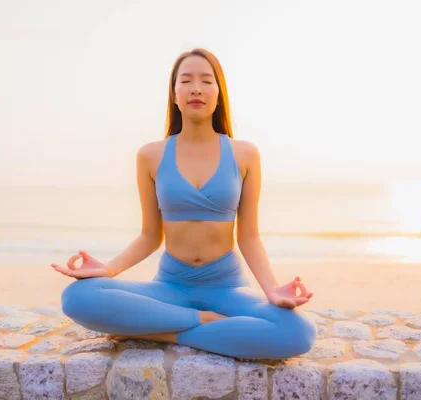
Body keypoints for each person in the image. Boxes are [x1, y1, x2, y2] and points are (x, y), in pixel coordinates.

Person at [51, 48, 317, 360]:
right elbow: (151, 234)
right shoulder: (150, 155)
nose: (195, 88)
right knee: (77, 297)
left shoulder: (245, 154)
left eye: (206, 81)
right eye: (186, 80)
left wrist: (272, 290)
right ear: (174, 94)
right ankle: (201, 323)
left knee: (299, 332)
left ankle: (164, 332)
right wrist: (109, 269)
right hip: (171, 287)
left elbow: (249, 236)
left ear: (219, 94)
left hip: (226, 289)